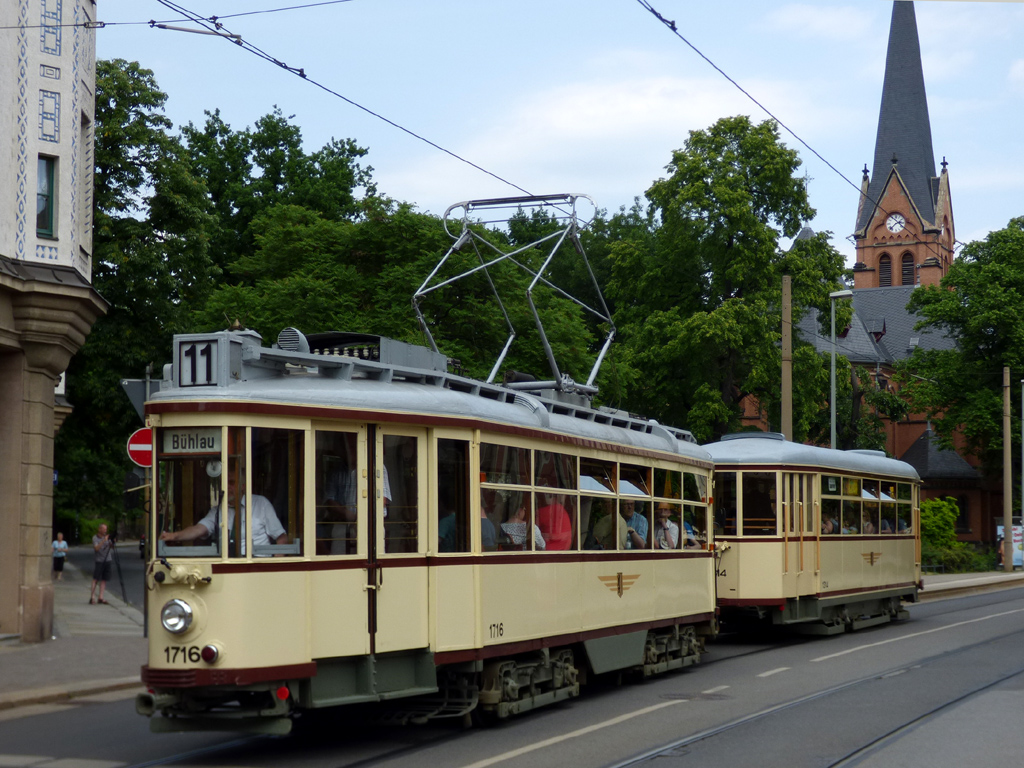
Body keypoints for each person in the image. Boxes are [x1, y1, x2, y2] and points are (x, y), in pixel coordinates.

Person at [160, 462, 286, 555]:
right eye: (223, 483)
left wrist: (275, 566)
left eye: (231, 483)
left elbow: (281, 538)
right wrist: (174, 536)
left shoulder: (261, 504)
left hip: (257, 565)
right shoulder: (217, 511)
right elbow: (198, 529)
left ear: (243, 486)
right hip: (228, 563)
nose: (226, 487)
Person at [90, 524, 113, 604]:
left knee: (104, 579)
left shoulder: (107, 537)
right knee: (96, 578)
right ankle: (92, 597)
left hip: (108, 560)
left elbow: (112, 547)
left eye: (106, 529)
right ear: (99, 529)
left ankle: (101, 597)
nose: (105, 531)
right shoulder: (95, 538)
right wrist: (104, 540)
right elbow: (96, 548)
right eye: (104, 529)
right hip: (99, 560)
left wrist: (112, 542)